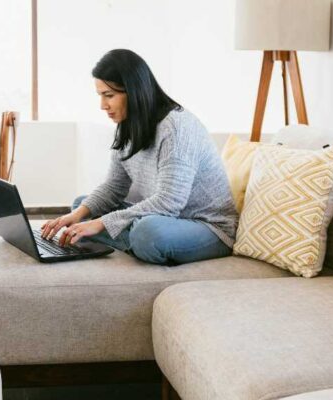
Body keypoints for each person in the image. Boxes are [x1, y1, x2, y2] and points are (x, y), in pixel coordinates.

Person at [41, 49, 237, 265]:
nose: (103, 106)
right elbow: (114, 187)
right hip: (161, 218)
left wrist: (103, 224)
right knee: (83, 207)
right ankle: (137, 242)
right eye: (100, 96)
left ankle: (139, 242)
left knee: (145, 233)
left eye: (109, 95)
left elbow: (170, 202)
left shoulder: (177, 127)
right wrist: (78, 214)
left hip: (205, 226)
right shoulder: (128, 126)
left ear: (134, 91)